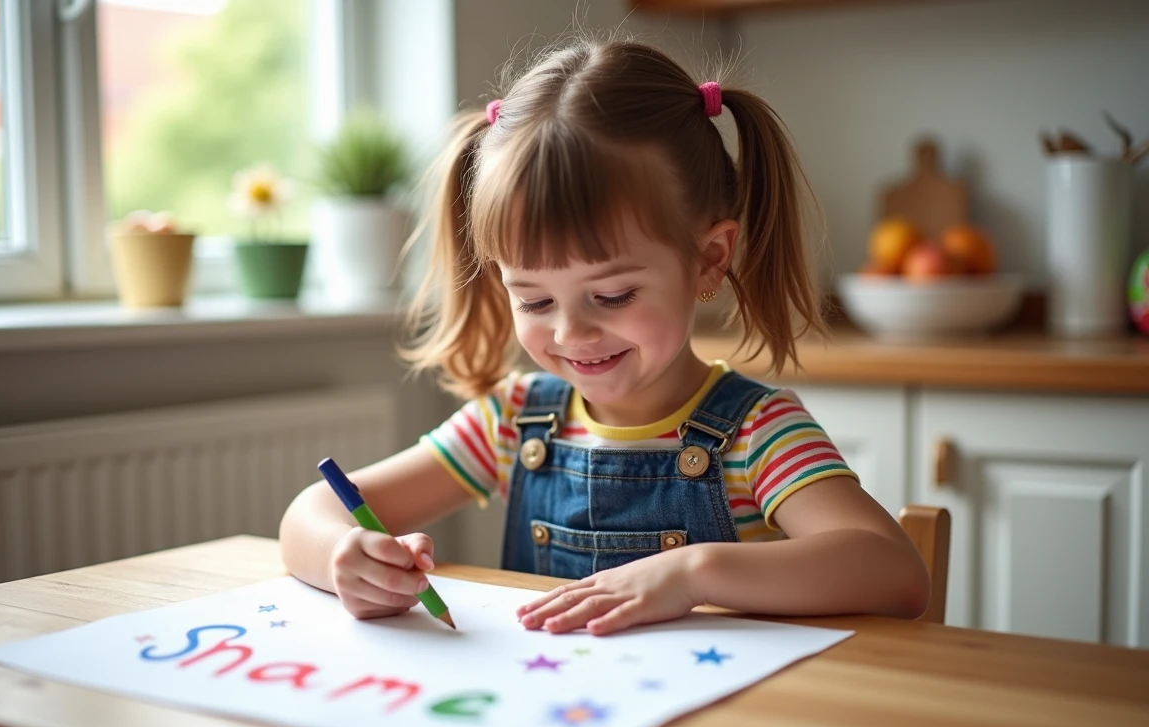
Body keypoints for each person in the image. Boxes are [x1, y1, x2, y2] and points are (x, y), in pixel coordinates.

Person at [280, 35, 930, 636]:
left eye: (612, 295)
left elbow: (894, 574)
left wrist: (693, 574)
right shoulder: (514, 422)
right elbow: (310, 512)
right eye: (533, 298)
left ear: (708, 258)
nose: (571, 331)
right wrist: (347, 554)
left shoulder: (758, 434)